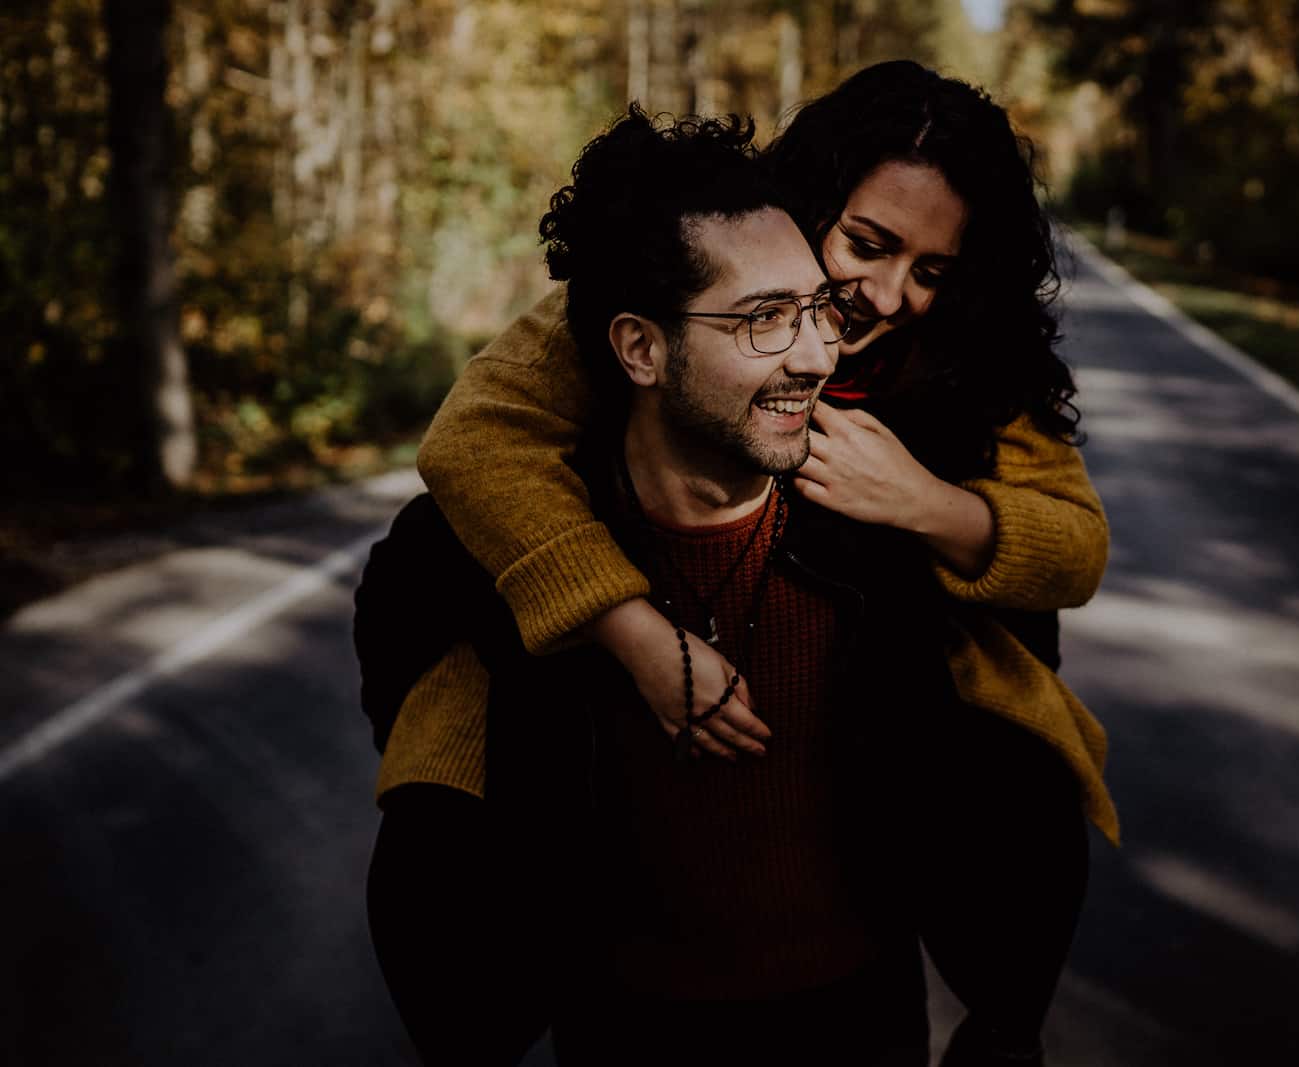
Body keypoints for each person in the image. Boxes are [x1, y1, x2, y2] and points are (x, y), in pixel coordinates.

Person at [366, 62, 1117, 1066]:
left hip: (857, 964)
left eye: (931, 270)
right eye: (867, 243)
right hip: (626, 981)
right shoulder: (673, 293)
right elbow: (475, 443)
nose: (885, 295)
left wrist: (926, 503)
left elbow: (1075, 546)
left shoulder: (964, 363)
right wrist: (627, 623)